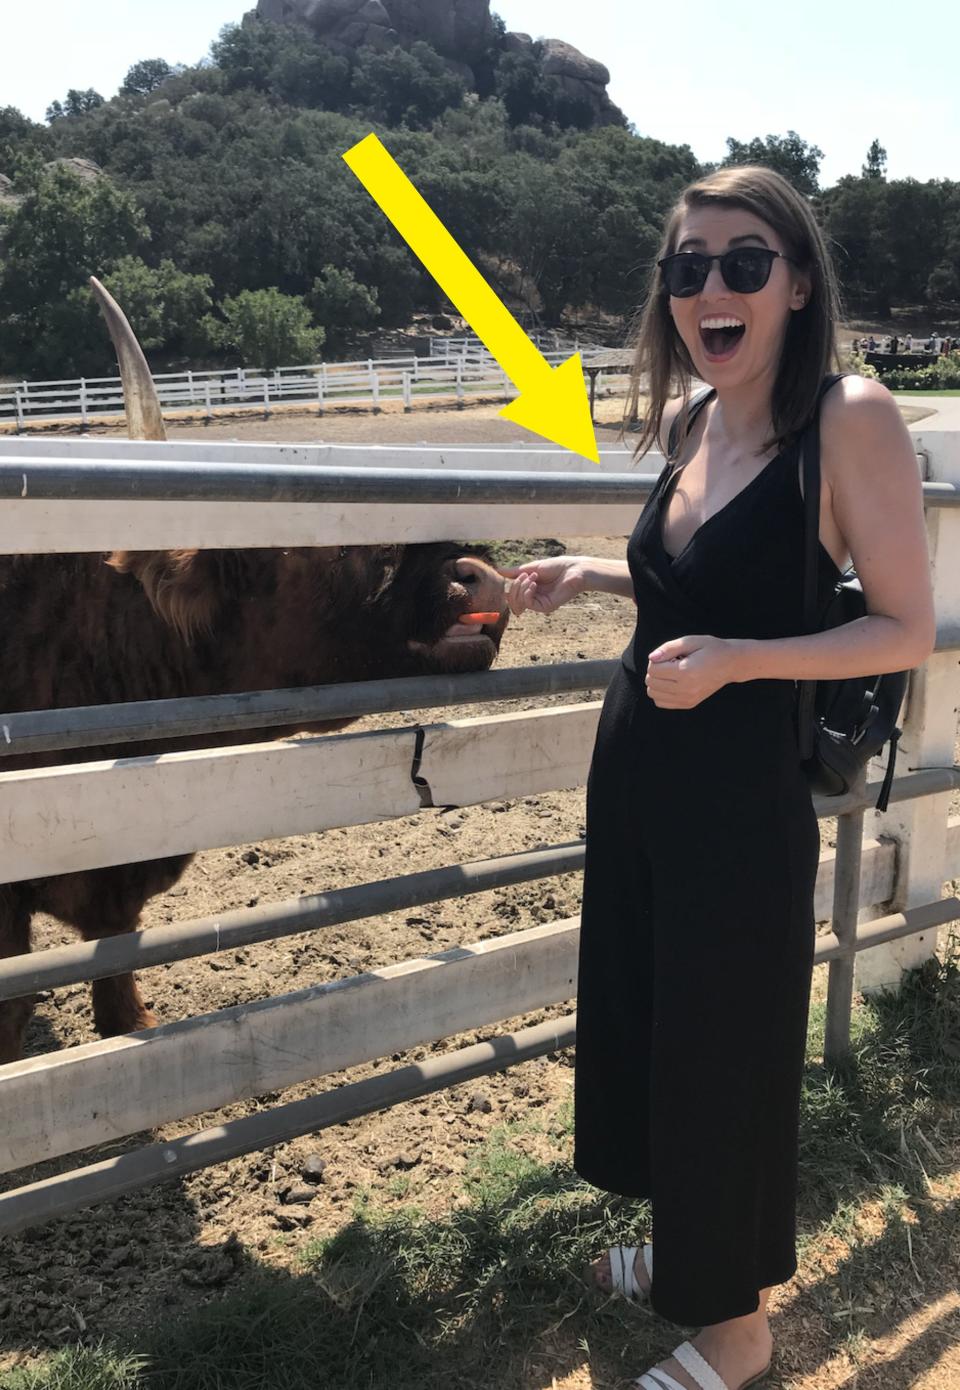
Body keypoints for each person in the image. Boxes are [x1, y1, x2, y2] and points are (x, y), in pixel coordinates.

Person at [502, 165, 935, 1390]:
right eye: (687, 267)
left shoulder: (849, 418)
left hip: (738, 802)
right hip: (639, 774)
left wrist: (745, 662)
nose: (712, 288)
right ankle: (684, 1252)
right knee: (648, 1025)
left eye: (745, 261)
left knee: (722, 1052)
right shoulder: (699, 418)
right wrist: (592, 578)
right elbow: (703, 585)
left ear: (798, 282)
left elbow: (902, 625)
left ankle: (736, 1331)